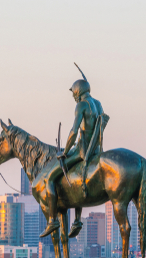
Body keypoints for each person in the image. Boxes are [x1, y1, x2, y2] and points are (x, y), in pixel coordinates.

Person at [40, 65, 106, 238]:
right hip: (97, 150)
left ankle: (52, 220)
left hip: (83, 151)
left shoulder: (81, 106)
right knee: (74, 178)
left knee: (50, 179)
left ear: (77, 91)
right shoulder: (98, 104)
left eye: (73, 93)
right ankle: (76, 221)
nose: (72, 97)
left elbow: (74, 131)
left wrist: (65, 151)